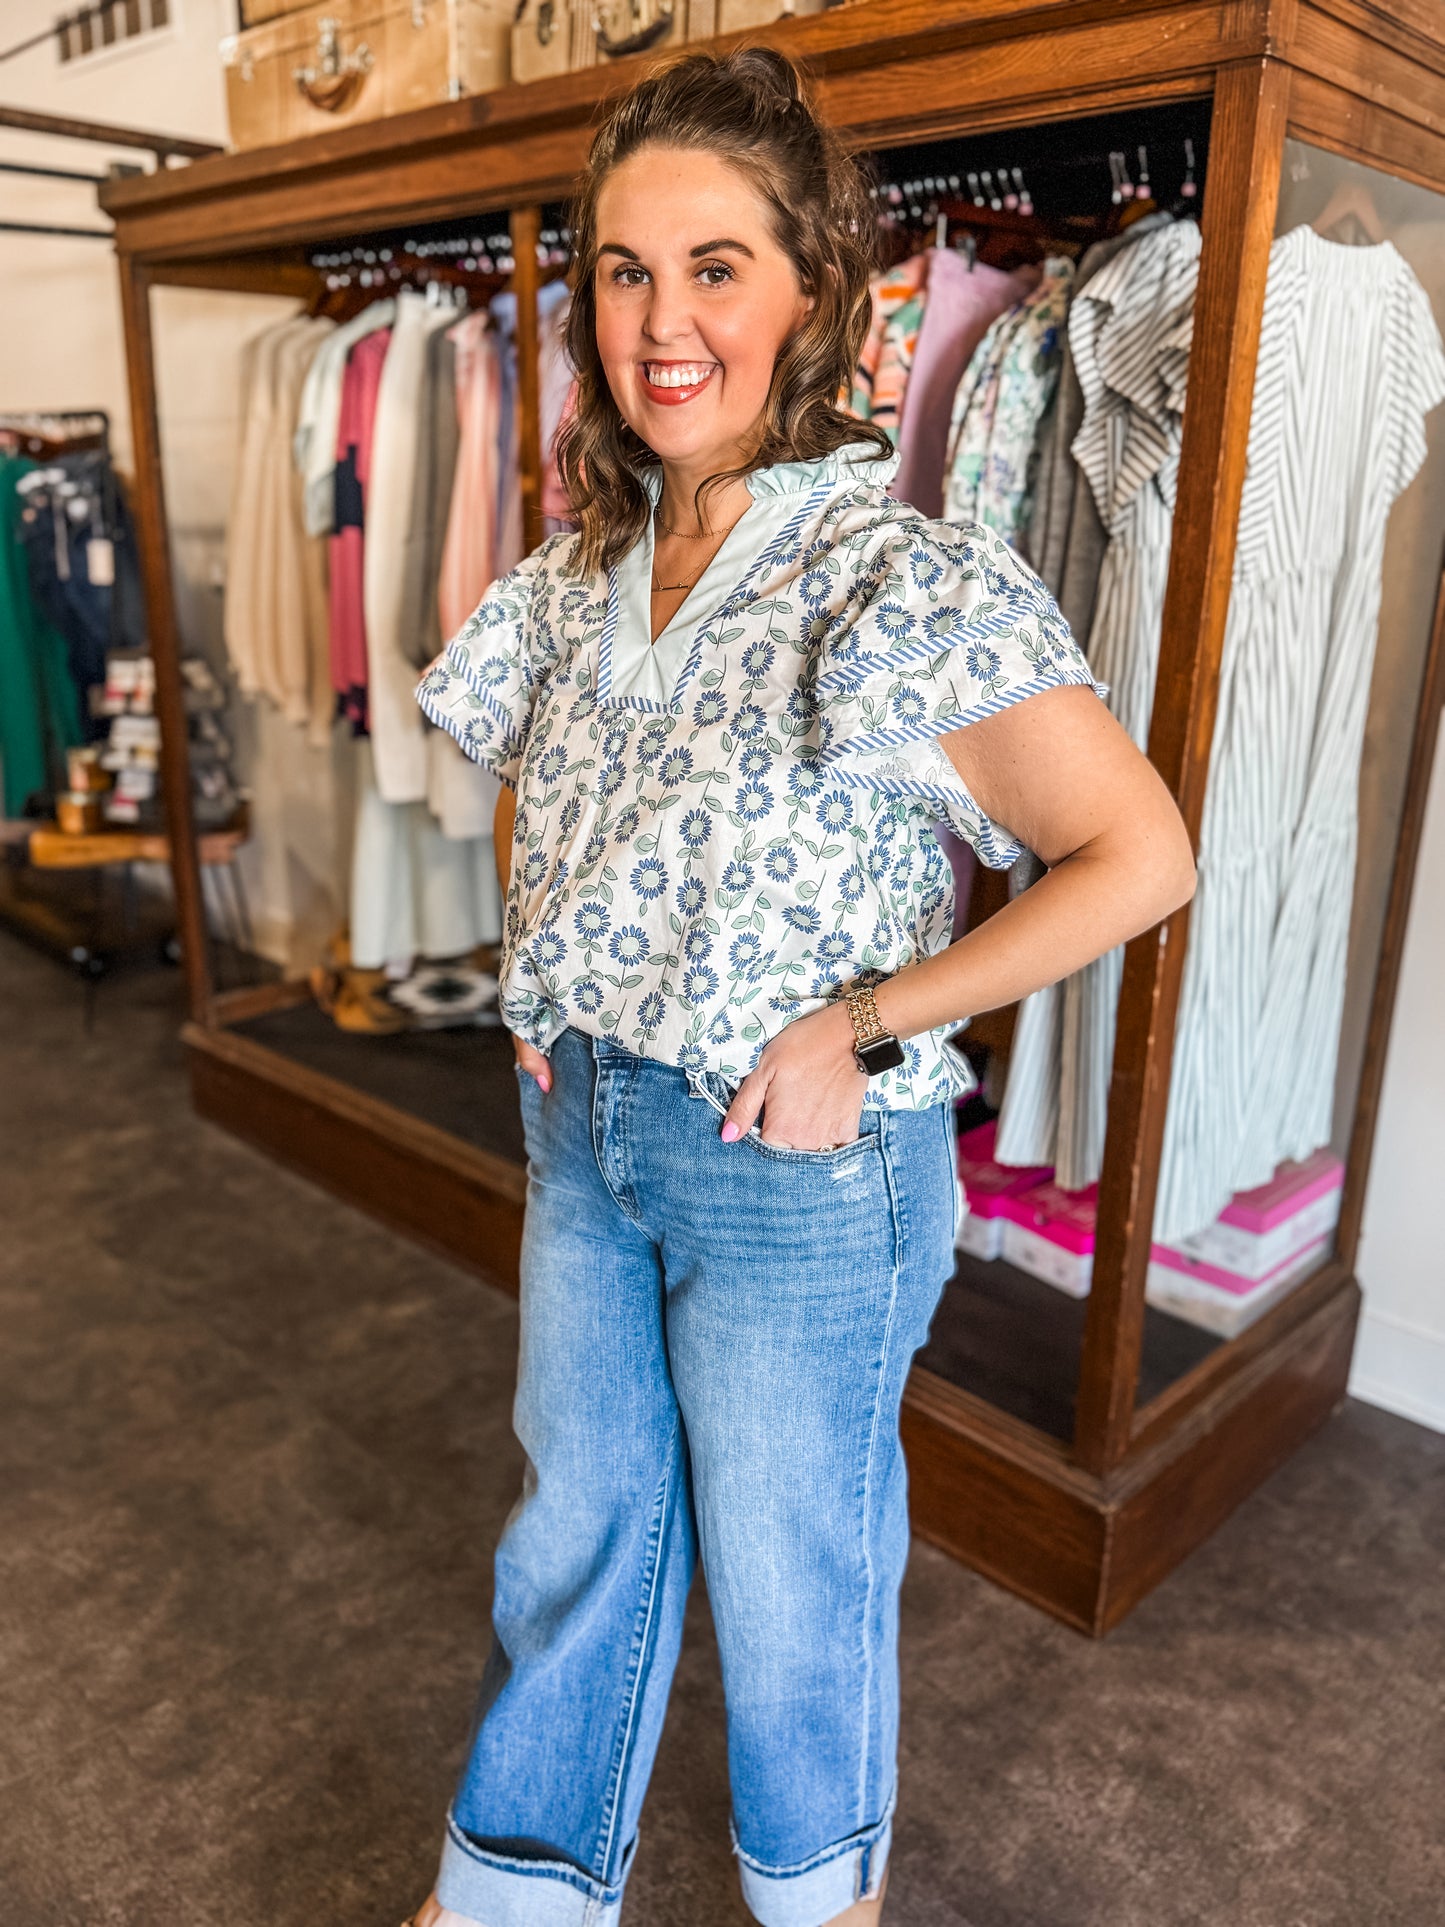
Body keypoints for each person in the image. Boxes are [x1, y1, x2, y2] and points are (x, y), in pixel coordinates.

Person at [407, 47, 1195, 1927]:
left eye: (714, 267)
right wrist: (546, 973)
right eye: (620, 269)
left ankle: (816, 1903)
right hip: (588, 1122)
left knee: (790, 1573)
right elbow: (543, 767)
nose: (659, 322)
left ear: (813, 292)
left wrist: (866, 1020)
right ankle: (514, 1886)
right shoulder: (583, 563)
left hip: (798, 1176)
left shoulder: (889, 573)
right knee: (575, 1535)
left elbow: (1138, 855)